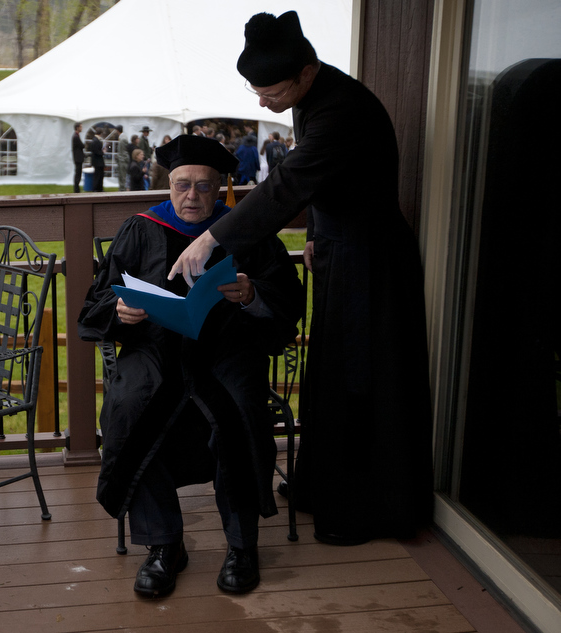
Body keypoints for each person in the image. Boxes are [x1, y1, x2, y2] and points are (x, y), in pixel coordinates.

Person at [168, 11, 434, 546]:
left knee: (361, 378)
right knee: (331, 374)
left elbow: (289, 183)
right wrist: (315, 232)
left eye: (269, 91)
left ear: (306, 73)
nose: (261, 103)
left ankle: (365, 508)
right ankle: (322, 486)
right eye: (255, 90)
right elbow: (326, 183)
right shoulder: (308, 98)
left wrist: (213, 237)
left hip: (373, 260)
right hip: (340, 250)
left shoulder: (341, 109)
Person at [78, 135, 305, 598]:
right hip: (153, 350)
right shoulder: (139, 228)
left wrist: (253, 294)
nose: (192, 196)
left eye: (205, 187)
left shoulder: (246, 232)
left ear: (221, 188)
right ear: (168, 185)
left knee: (240, 408)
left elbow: (287, 299)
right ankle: (164, 545)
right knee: (127, 405)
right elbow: (97, 299)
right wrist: (119, 312)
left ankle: (243, 546)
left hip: (227, 350)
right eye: (182, 185)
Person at [72, 123, 85, 193]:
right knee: (78, 173)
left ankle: (77, 189)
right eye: (80, 127)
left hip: (78, 158)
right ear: (77, 128)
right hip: (78, 158)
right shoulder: (76, 137)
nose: (81, 128)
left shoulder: (76, 136)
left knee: (78, 173)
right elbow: (82, 145)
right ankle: (76, 189)